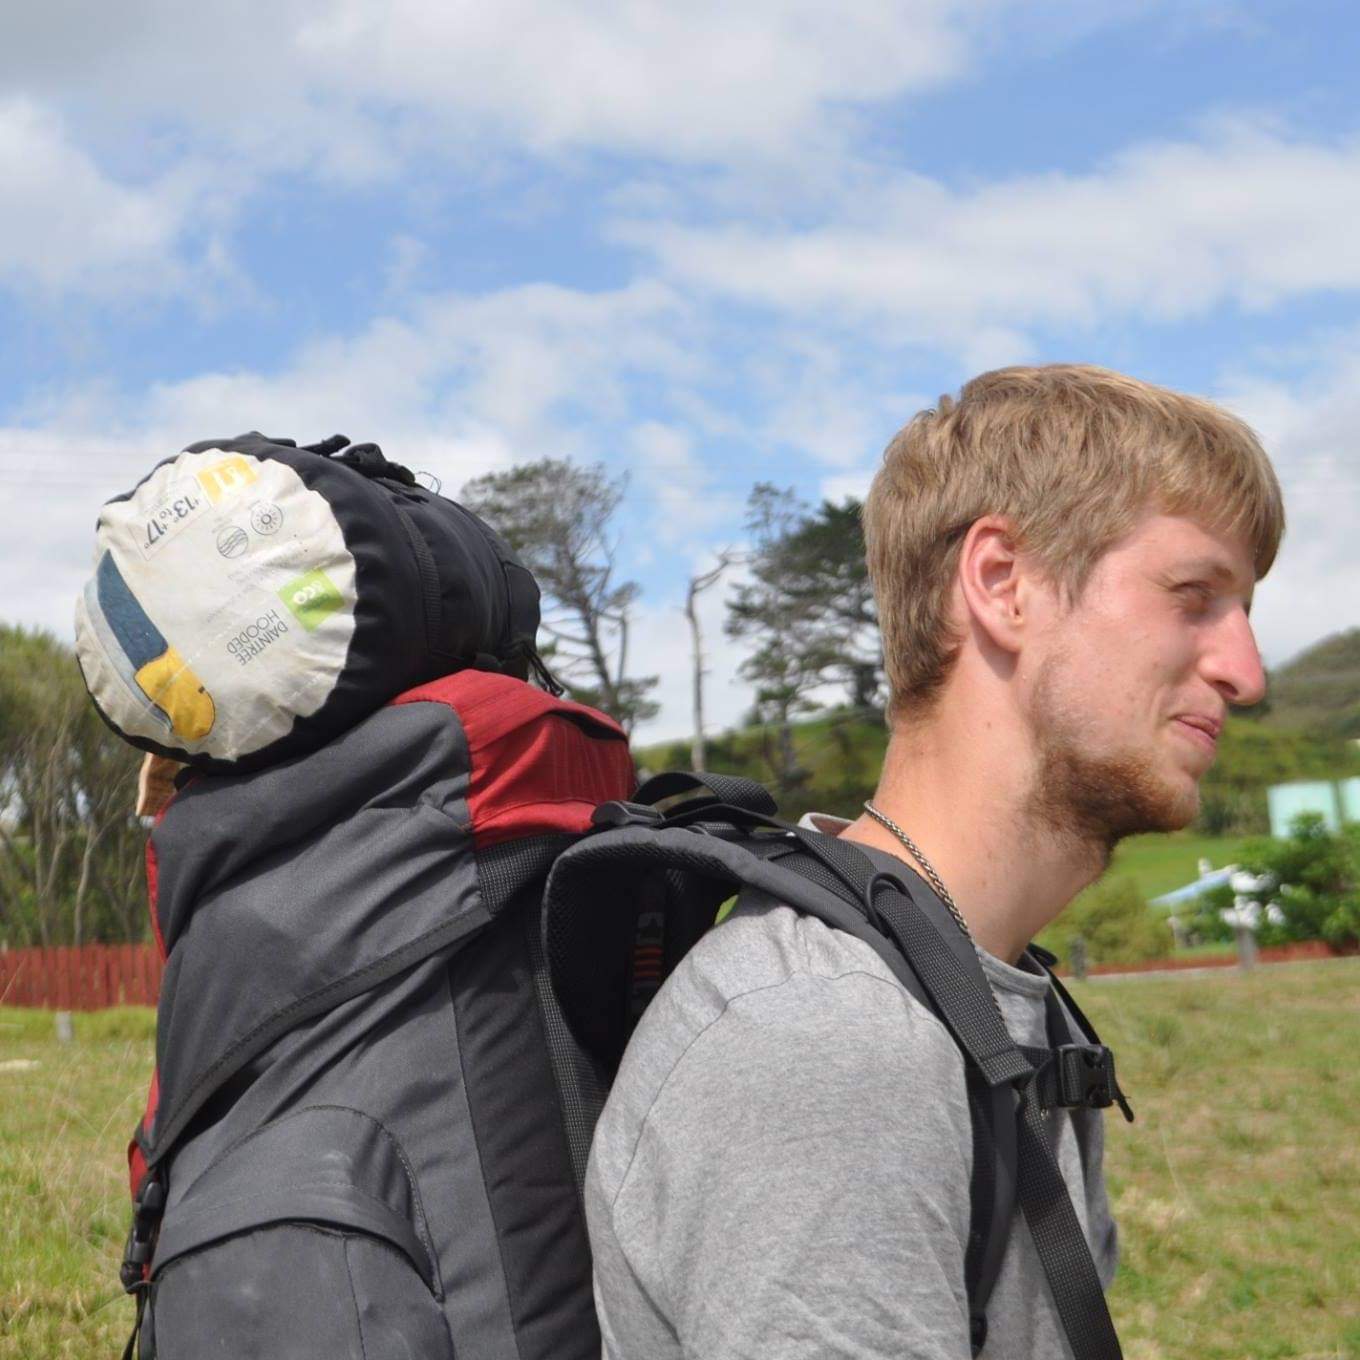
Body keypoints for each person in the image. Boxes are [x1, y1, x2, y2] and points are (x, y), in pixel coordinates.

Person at [584, 364, 1284, 1358]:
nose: (1245, 672)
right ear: (1002, 582)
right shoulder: (826, 1038)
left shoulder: (992, 992)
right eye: (1193, 596)